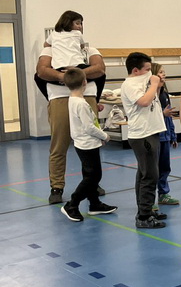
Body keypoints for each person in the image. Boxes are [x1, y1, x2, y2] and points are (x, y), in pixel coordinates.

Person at [36, 17, 106, 205]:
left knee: (91, 141)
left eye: (82, 23)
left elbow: (99, 69)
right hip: (59, 97)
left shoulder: (89, 50)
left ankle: (92, 182)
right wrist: (66, 76)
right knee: (59, 144)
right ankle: (56, 187)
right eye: (77, 23)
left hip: (87, 95)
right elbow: (42, 71)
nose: (80, 26)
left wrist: (74, 74)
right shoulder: (50, 50)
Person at [60, 68, 116, 222]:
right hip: (87, 144)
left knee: (89, 175)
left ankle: (94, 203)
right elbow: (89, 127)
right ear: (85, 82)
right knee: (93, 176)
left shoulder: (73, 100)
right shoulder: (81, 104)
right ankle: (72, 204)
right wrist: (105, 136)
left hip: (83, 142)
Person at [121, 52, 168, 228]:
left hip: (151, 131)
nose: (150, 72)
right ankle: (144, 216)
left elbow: (154, 100)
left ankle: (145, 209)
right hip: (143, 134)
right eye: (147, 69)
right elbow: (144, 101)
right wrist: (154, 84)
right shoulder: (130, 84)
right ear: (136, 70)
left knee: (144, 173)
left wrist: (157, 86)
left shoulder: (142, 82)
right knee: (150, 175)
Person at [150, 63, 180, 208]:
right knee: (152, 169)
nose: (164, 75)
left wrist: (173, 135)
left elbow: (170, 117)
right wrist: (163, 113)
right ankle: (149, 199)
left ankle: (163, 194)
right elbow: (150, 115)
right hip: (155, 136)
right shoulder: (150, 95)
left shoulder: (164, 94)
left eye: (164, 72)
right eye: (161, 72)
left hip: (165, 136)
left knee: (165, 167)